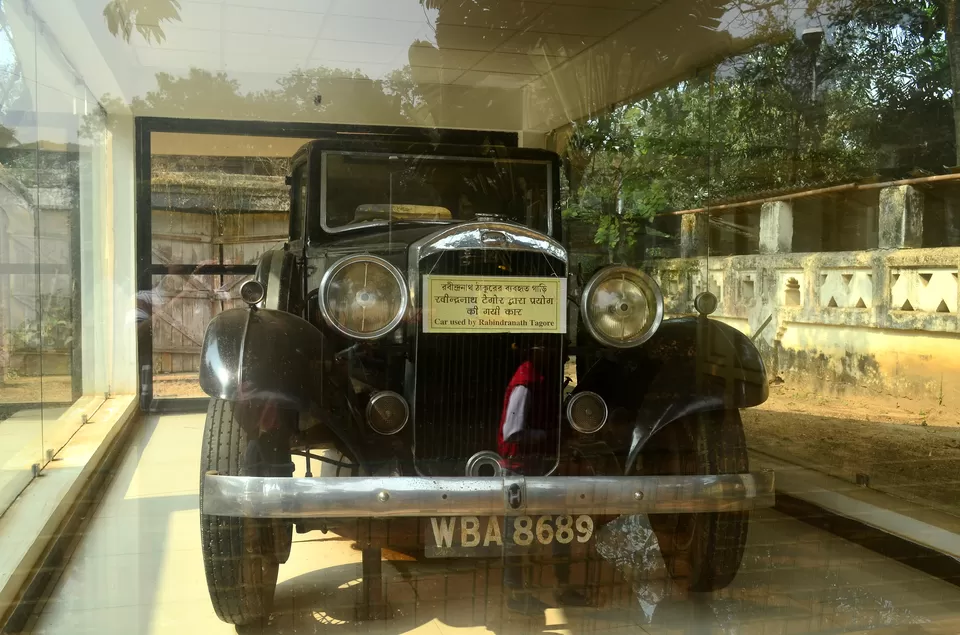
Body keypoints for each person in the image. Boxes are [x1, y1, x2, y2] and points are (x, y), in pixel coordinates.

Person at [498, 342, 591, 615]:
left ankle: (560, 586)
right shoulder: (526, 383)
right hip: (521, 467)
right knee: (516, 534)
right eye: (555, 351)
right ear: (538, 351)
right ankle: (517, 594)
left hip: (540, 465)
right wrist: (551, 437)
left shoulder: (537, 378)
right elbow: (511, 433)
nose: (562, 357)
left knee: (559, 528)